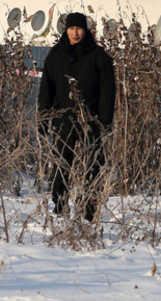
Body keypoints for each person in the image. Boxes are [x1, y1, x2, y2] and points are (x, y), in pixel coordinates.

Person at [37, 12, 115, 222]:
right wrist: (43, 118)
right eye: (71, 29)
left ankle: (89, 211)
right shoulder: (56, 54)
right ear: (66, 30)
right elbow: (46, 89)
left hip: (91, 120)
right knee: (62, 164)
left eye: (79, 28)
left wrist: (104, 122)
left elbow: (108, 92)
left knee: (93, 165)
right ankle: (60, 208)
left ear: (85, 30)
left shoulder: (99, 56)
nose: (75, 33)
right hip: (64, 118)